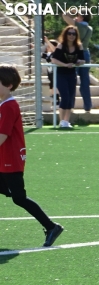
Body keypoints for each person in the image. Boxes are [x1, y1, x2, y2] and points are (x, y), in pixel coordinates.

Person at [0, 65, 64, 247]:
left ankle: (51, 227)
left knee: (19, 198)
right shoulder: (3, 105)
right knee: (16, 196)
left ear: (9, 85)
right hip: (3, 159)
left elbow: (3, 136)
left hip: (10, 161)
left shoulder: (9, 106)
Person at [50, 26, 85, 128]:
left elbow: (83, 60)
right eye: (69, 33)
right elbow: (54, 59)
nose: (71, 36)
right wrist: (65, 65)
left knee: (70, 98)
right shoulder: (61, 46)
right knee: (64, 97)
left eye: (73, 34)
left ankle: (66, 121)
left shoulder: (79, 46)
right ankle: (61, 121)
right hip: (61, 74)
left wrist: (79, 62)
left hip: (72, 74)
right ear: (65, 34)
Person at [62, 11, 92, 112]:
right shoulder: (89, 28)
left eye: (78, 16)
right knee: (85, 81)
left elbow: (64, 16)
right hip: (86, 53)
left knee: (71, 79)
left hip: (76, 53)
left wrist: (71, 10)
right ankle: (87, 106)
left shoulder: (79, 26)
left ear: (82, 17)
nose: (75, 17)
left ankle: (71, 105)